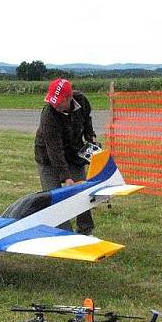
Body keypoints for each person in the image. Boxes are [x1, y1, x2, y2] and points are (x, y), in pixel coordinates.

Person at [34, 78, 98, 235]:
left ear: (69, 98)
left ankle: (85, 230)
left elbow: (87, 120)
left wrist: (91, 137)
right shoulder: (49, 114)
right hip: (47, 156)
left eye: (58, 101)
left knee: (81, 192)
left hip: (74, 151)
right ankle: (64, 235)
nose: (54, 104)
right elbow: (54, 150)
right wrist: (65, 177)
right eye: (52, 101)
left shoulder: (81, 100)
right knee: (54, 198)